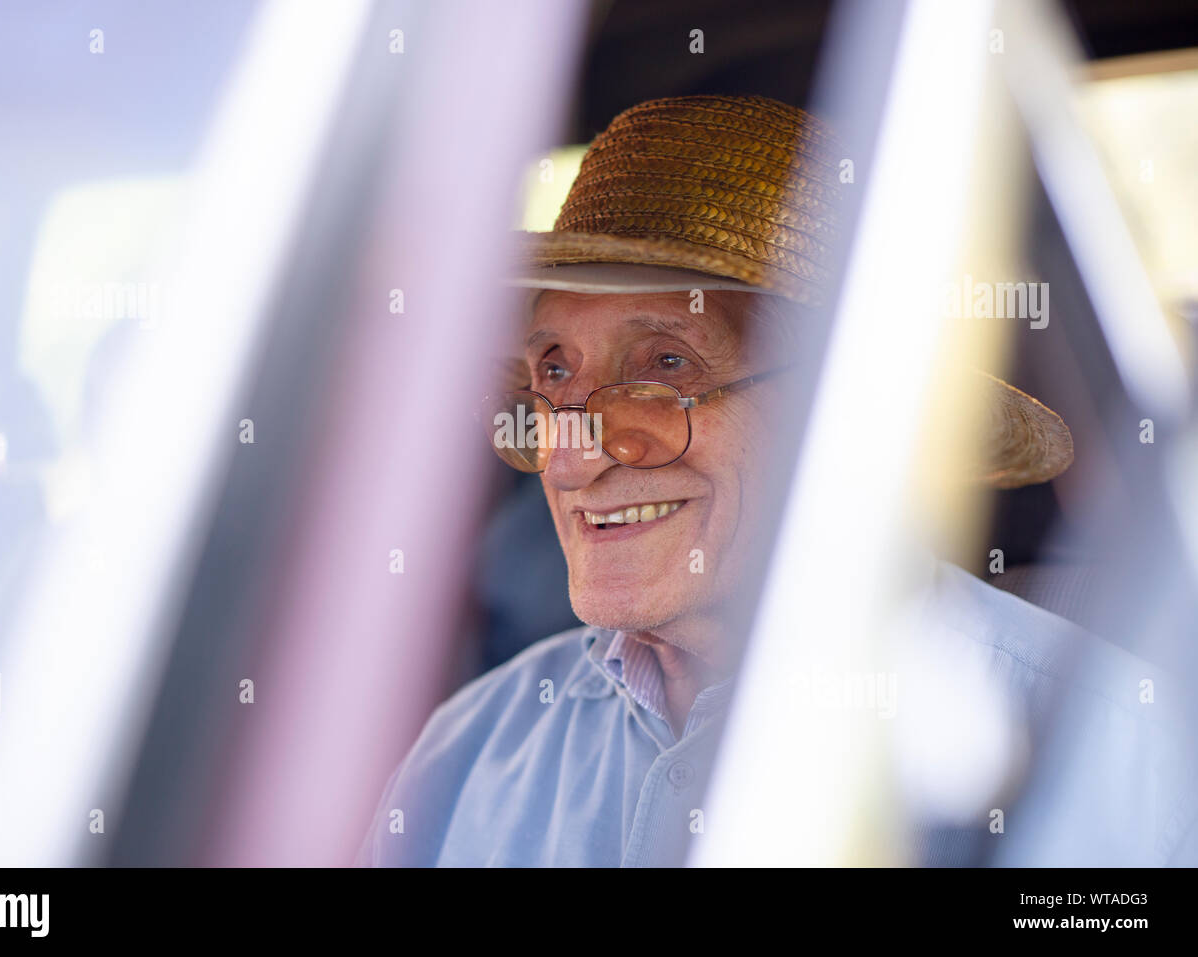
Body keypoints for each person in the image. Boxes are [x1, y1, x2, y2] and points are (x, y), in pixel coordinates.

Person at [355, 95, 1194, 867]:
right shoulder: (464, 758)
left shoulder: (1105, 755)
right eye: (553, 372)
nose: (571, 458)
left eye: (665, 368)